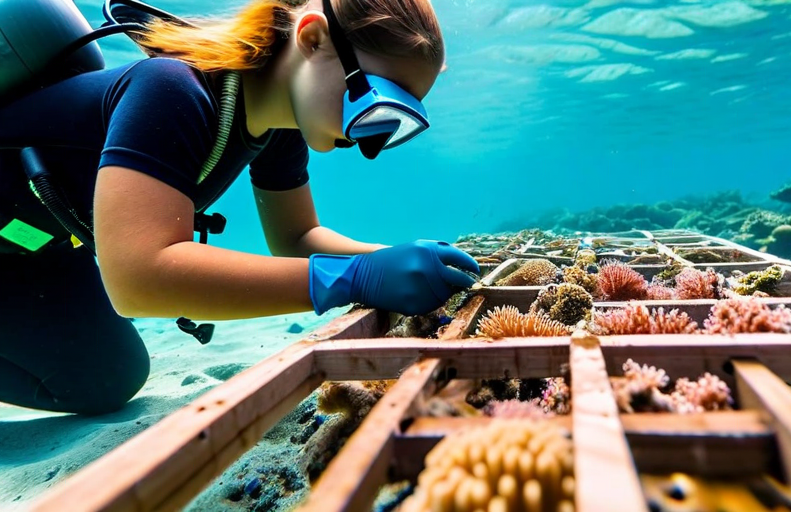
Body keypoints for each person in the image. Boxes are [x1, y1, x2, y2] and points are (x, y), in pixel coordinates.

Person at [0, 0, 479, 416]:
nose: (369, 139)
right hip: (26, 245)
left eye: (397, 123)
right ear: (312, 39)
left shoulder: (278, 129)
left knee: (108, 380)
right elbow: (137, 278)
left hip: (41, 250)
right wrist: (352, 278)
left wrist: (389, 258)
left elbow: (296, 238)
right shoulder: (171, 89)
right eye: (377, 103)